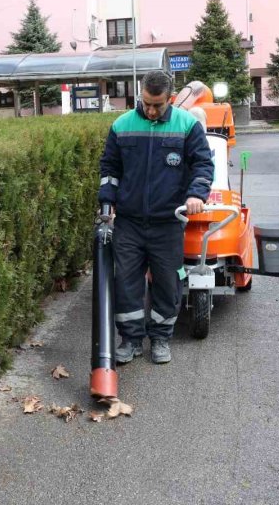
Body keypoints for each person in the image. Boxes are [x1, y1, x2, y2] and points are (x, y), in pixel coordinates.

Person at [98, 71, 214, 364]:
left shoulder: (187, 125)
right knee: (126, 282)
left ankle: (161, 338)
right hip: (129, 222)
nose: (150, 110)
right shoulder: (122, 125)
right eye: (146, 103)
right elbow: (110, 168)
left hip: (168, 221)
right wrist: (107, 202)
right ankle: (131, 340)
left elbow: (202, 164)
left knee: (167, 283)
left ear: (170, 99)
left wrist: (196, 195)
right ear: (141, 95)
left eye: (157, 105)